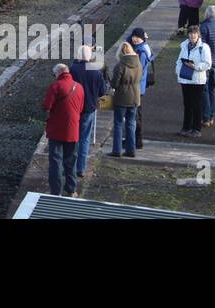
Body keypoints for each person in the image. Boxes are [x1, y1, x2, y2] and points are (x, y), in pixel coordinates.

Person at [41, 62, 85, 197]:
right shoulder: (79, 87)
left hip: (56, 130)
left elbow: (46, 106)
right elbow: (81, 108)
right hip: (73, 129)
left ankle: (56, 191)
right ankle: (71, 189)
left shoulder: (55, 86)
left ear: (58, 73)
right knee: (71, 161)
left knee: (55, 161)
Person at [69, 46, 108, 180]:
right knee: (85, 138)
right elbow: (103, 91)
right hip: (89, 108)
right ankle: (81, 168)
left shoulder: (72, 69)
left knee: (72, 138)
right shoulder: (95, 71)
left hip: (73, 108)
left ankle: (70, 168)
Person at [176, 24, 211, 137]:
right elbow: (179, 61)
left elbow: (207, 64)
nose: (192, 36)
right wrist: (178, 71)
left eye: (194, 34)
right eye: (190, 33)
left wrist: (194, 66)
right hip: (185, 79)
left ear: (198, 35)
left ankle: (196, 129)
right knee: (187, 104)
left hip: (197, 80)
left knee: (196, 104)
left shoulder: (204, 47)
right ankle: (186, 127)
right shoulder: (184, 46)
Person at [108, 42, 142, 158]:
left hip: (122, 97)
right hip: (135, 97)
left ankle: (116, 150)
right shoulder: (139, 63)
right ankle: (131, 150)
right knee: (131, 123)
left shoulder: (120, 65)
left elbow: (115, 83)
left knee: (118, 123)